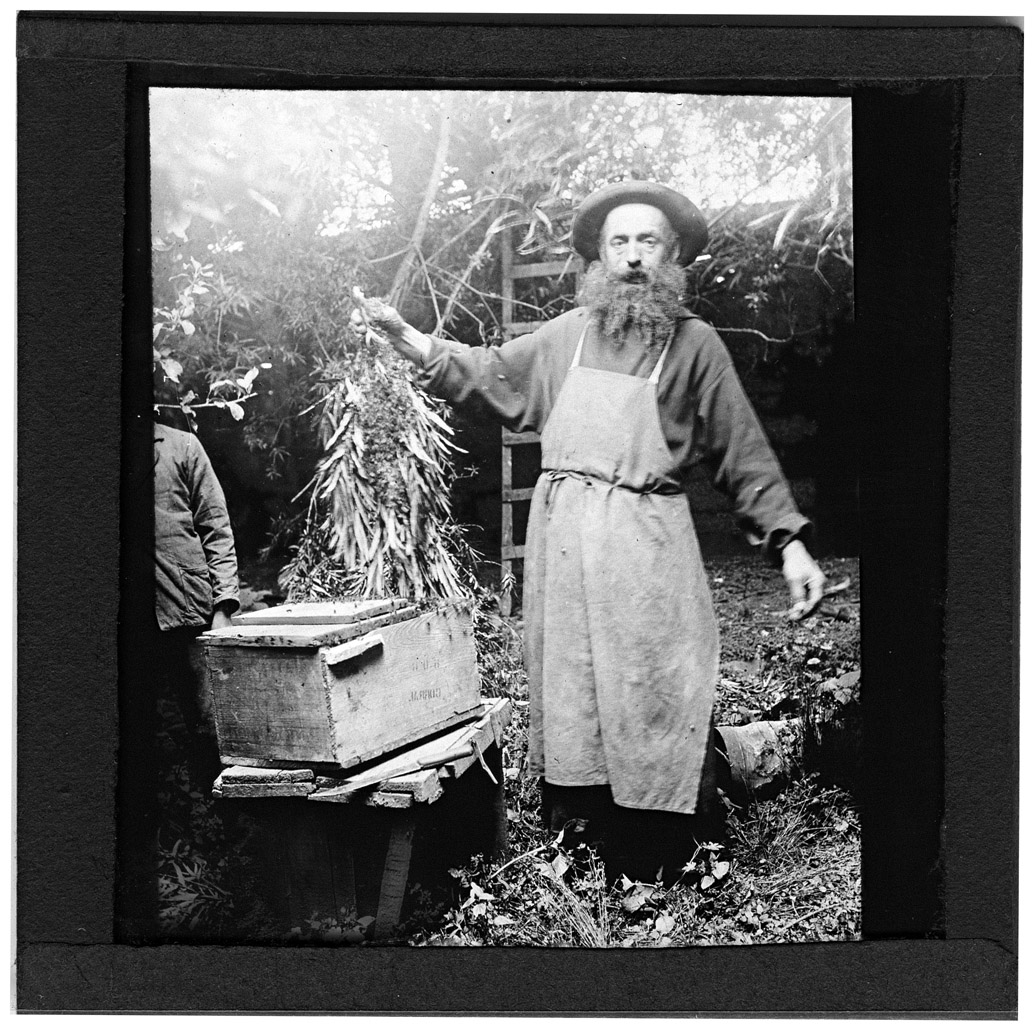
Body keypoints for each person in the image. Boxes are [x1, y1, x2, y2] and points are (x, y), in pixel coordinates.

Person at [353, 180, 826, 883]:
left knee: (654, 681)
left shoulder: (694, 345)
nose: (633, 257)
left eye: (648, 242)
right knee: (571, 682)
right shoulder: (565, 337)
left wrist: (791, 544)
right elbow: (488, 371)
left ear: (672, 256)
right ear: (599, 257)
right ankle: (580, 843)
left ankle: (667, 849)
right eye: (619, 242)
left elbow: (743, 450)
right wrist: (410, 340)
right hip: (567, 542)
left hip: (646, 543)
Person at [153, 422, 240, 779]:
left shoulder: (183, 446)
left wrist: (224, 606)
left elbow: (216, 529)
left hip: (189, 611)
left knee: (208, 724)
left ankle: (217, 803)